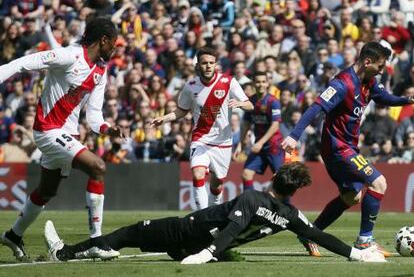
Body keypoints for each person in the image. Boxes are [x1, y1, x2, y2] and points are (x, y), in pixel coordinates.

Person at [44, 162, 386, 264]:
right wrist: (354, 253)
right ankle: (103, 250)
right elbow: (318, 235)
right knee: (141, 243)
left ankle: (65, 253)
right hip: (194, 245)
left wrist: (208, 254)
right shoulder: (292, 215)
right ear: (293, 190)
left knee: (131, 232)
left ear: (274, 178)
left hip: (188, 234)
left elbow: (232, 228)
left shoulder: (253, 198)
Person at [0, 17, 123, 260]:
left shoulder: (100, 70)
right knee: (98, 167)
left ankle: (13, 235)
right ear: (103, 40)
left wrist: (108, 128)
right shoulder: (69, 56)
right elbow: (25, 63)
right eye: (114, 44)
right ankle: (96, 241)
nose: (115, 49)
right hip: (47, 130)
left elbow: (95, 115)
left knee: (47, 190)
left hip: (67, 134)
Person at [281, 42, 414, 257]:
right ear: (367, 61)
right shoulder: (342, 84)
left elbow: (386, 98)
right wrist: (294, 135)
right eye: (380, 67)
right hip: (337, 148)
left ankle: (310, 234)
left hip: (349, 147)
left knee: (352, 197)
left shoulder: (370, 81)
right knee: (379, 183)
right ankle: (364, 241)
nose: (382, 71)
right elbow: (316, 107)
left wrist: (408, 99)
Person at [150, 47, 253, 210]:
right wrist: (165, 118)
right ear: (198, 65)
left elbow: (250, 104)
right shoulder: (190, 86)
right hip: (201, 139)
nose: (208, 66)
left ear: (216, 64)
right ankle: (202, 218)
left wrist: (240, 103)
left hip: (223, 141)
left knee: (217, 183)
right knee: (198, 174)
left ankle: (214, 210)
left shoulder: (228, 82)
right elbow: (181, 110)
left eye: (211, 63)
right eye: (204, 63)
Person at [235, 72, 284, 191]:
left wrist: (260, 143)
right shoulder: (250, 102)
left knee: (281, 179)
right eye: (257, 82)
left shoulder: (273, 101)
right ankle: (250, 205)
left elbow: (275, 125)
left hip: (274, 146)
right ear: (253, 83)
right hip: (259, 146)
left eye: (263, 81)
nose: (260, 84)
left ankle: (286, 208)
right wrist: (240, 144)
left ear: (267, 83)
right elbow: (246, 124)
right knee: (246, 174)